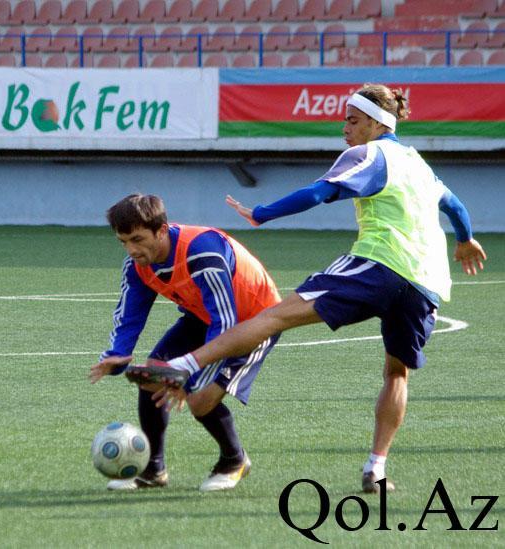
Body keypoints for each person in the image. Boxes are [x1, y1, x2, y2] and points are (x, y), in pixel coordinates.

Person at [155, 84, 487, 494]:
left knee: (274, 317)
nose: (344, 127)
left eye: (352, 120)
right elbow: (455, 206)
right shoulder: (418, 163)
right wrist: (465, 240)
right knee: (396, 373)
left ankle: (185, 364)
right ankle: (376, 468)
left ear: (375, 123)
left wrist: (261, 213)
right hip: (426, 283)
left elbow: (318, 192)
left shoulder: (369, 154)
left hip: (379, 265)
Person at [89, 193, 282, 492]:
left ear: (161, 230)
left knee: (200, 398)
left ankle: (234, 460)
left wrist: (190, 381)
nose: (131, 250)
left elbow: (225, 324)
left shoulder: (202, 252)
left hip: (256, 321)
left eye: (137, 239)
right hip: (204, 315)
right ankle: (153, 470)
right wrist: (119, 354)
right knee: (152, 376)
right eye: (123, 242)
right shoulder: (137, 265)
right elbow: (130, 314)